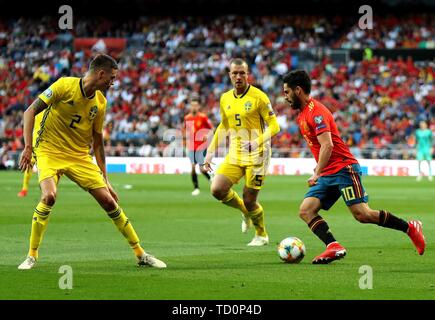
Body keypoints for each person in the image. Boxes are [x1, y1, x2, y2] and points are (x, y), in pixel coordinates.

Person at [18, 54, 166, 269]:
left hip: (79, 155)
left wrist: (105, 178)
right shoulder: (63, 86)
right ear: (101, 74)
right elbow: (29, 111)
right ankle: (32, 255)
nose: (113, 82)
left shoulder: (100, 102)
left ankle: (141, 254)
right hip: (49, 149)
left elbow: (98, 142)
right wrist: (28, 147)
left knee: (109, 201)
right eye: (112, 77)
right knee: (49, 196)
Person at [282, 69, 425, 264]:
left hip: (343, 169)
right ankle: (333, 246)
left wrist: (316, 173)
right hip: (328, 173)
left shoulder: (317, 113)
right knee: (306, 210)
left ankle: (410, 227)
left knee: (363, 215)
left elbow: (328, 145)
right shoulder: (301, 115)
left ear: (298, 90)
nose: (285, 97)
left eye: (287, 92)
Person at [203, 58, 280, 246]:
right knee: (217, 189)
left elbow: (275, 126)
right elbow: (224, 125)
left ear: (248, 75)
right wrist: (210, 152)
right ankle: (244, 212)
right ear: (229, 75)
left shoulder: (259, 97)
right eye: (234, 73)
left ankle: (261, 234)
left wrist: (257, 141)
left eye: (242, 73)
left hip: (258, 155)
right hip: (235, 152)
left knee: (250, 199)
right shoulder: (225, 98)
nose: (238, 76)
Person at [184, 98, 213, 196]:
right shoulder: (187, 118)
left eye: (195, 105)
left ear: (199, 106)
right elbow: (188, 131)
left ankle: (211, 179)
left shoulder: (203, 117)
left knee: (201, 169)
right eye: (192, 105)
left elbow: (211, 129)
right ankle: (196, 188)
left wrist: (207, 136)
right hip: (192, 146)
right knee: (192, 167)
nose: (194, 107)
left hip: (201, 146)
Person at [17, 113, 44, 197]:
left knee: (47, 169)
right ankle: (24, 189)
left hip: (45, 146)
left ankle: (47, 187)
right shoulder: (35, 112)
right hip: (34, 146)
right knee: (28, 167)